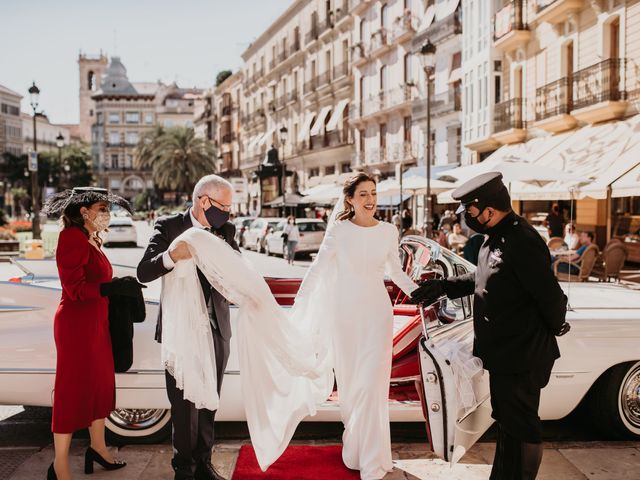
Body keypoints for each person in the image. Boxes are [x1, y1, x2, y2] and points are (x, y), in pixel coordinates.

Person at [411, 172, 570, 480]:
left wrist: (555, 326)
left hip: (522, 353)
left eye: (470, 212)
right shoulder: (494, 238)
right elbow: (482, 278)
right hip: (504, 352)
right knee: (507, 420)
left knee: (521, 423)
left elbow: (550, 294)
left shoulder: (522, 240)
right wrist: (445, 286)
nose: (468, 218)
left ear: (489, 210)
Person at [290, 172, 419, 478]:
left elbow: (397, 274)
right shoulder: (339, 231)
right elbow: (318, 270)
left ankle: (373, 462)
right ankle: (356, 450)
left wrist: (424, 292)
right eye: (363, 194)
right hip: (344, 314)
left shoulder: (389, 231)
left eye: (373, 193)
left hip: (377, 313)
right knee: (350, 387)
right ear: (349, 199)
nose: (370, 199)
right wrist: (298, 304)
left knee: (372, 387)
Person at [137, 175, 239, 480]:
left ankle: (204, 463)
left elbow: (238, 270)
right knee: (183, 407)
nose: (228, 214)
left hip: (217, 329)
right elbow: (144, 271)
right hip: (180, 333)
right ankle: (183, 468)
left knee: (210, 401)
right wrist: (171, 257)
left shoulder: (226, 229)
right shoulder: (169, 226)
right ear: (204, 201)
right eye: (224, 207)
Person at [42, 187, 145, 480]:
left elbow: (97, 279)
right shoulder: (71, 238)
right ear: (84, 212)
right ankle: (60, 465)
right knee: (72, 391)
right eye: (102, 208)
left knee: (100, 386)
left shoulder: (92, 238)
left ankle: (98, 448)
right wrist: (110, 287)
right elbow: (73, 289)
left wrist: (119, 286)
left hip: (96, 323)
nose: (106, 214)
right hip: (76, 326)